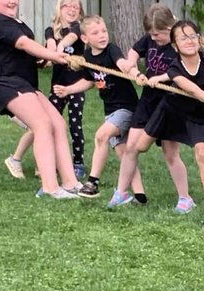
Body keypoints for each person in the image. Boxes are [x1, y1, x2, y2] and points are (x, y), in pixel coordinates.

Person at [110, 19, 204, 223]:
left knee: (202, 152)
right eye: (183, 37)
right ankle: (124, 189)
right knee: (140, 146)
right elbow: (193, 90)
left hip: (197, 114)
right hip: (170, 110)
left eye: (192, 36)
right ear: (174, 45)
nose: (189, 40)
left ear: (199, 38)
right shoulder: (173, 67)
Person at [0, 0, 80, 199]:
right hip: (3, 80)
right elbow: (24, 44)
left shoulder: (16, 22)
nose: (12, 0)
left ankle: (71, 183)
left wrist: (40, 60)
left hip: (24, 81)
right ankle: (49, 187)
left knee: (58, 123)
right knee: (42, 125)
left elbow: (23, 51)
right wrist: (54, 55)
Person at [54, 16, 146, 201]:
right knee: (123, 152)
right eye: (95, 33)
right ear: (85, 39)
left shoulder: (112, 49)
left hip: (126, 107)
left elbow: (121, 63)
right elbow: (89, 81)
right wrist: (68, 90)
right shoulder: (88, 57)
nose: (102, 35)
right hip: (110, 110)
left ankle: (92, 183)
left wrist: (133, 70)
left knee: (101, 136)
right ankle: (139, 194)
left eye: (104, 31)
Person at [117, 3, 192, 212]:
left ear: (169, 28)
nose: (153, 38)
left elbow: (183, 72)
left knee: (170, 152)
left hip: (170, 101)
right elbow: (133, 51)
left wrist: (158, 78)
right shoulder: (150, 39)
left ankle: (185, 198)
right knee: (131, 146)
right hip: (149, 100)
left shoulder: (181, 43)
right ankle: (120, 192)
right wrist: (133, 69)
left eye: (157, 34)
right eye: (150, 34)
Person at [4, 0, 88, 180]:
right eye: (68, 6)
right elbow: (50, 45)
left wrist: (60, 48)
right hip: (57, 87)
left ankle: (78, 163)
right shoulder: (51, 31)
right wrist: (48, 55)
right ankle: (34, 163)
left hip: (76, 86)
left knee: (75, 125)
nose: (73, 10)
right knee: (41, 125)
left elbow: (71, 37)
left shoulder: (79, 29)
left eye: (76, 7)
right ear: (60, 8)